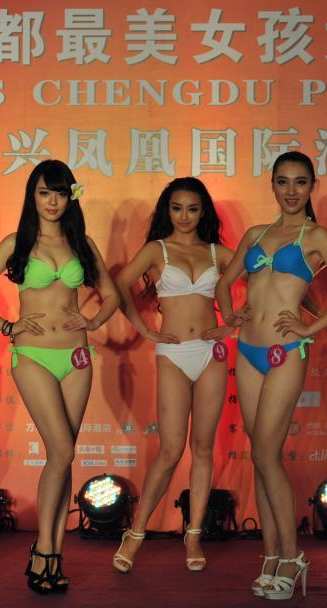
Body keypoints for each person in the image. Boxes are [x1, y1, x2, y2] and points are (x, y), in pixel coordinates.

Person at [0, 160, 118, 594]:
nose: (52, 201)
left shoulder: (81, 243)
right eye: (44, 193)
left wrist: (91, 321)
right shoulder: (17, 242)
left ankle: (53, 553)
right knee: (63, 450)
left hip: (77, 357)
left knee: (62, 457)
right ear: (32, 197)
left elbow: (112, 295)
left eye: (60, 193)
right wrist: (8, 326)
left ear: (71, 197)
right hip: (32, 355)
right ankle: (44, 550)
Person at [215, 151, 327, 600]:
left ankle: (294, 556)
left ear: (312, 186)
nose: (291, 191)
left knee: (265, 453)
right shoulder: (256, 234)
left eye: (300, 182)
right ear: (273, 185)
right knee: (261, 458)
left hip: (285, 352)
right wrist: (231, 315)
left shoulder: (315, 236)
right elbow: (224, 282)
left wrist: (311, 328)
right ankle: (271, 556)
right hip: (248, 351)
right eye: (283, 182)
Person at [112, 177, 235, 573]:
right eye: (177, 208)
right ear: (168, 210)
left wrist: (232, 323)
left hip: (211, 352)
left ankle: (193, 534)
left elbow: (265, 281)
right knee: (170, 450)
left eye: (193, 209)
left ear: (203, 213)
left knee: (204, 448)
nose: (184, 216)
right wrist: (144, 329)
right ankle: (135, 533)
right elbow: (119, 284)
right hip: (174, 353)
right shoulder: (157, 249)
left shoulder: (217, 252)